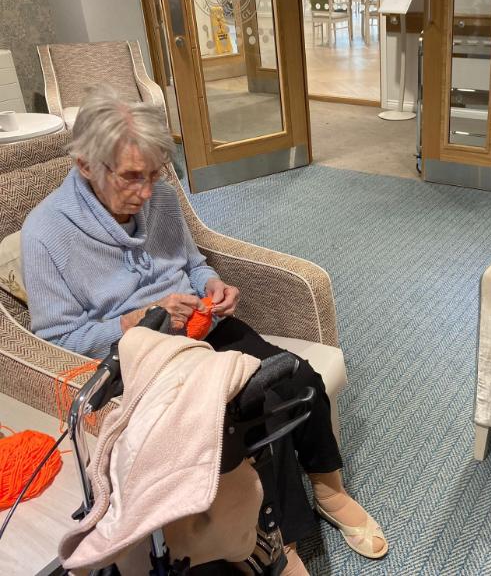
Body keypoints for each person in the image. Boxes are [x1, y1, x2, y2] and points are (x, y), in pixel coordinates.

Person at [21, 89, 387, 574]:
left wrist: (212, 284)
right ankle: (282, 545)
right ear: (86, 165)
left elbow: (191, 263)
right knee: (254, 414)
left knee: (296, 375)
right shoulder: (45, 233)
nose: (146, 193)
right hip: (147, 359)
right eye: (131, 177)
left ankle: (329, 488)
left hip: (202, 327)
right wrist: (135, 320)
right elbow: (57, 338)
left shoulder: (160, 197)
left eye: (154, 174)